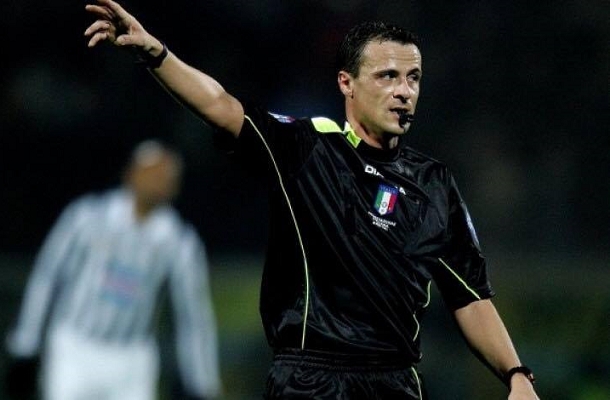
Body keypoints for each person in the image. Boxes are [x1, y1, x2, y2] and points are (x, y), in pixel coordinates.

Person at [83, 1, 540, 399]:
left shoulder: (434, 183)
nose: (404, 91)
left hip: (395, 381)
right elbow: (221, 106)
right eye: (388, 76)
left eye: (413, 78)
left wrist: (516, 374)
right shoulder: (308, 149)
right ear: (347, 83)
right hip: (310, 379)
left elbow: (470, 296)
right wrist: (156, 54)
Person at [5, 139, 222, 400]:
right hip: (75, 347)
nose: (158, 181)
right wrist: (25, 342)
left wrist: (202, 382)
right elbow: (46, 277)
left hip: (132, 358)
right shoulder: (86, 217)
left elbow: (193, 314)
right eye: (152, 172)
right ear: (131, 173)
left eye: (166, 176)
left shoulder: (178, 241)